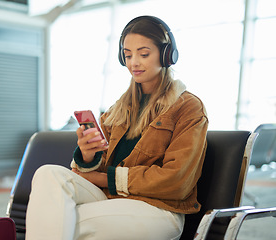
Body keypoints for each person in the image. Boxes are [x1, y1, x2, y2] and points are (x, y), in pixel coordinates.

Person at [26, 15, 208, 240]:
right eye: (128, 54)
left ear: (166, 55)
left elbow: (177, 181)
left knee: (59, 220)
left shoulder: (188, 107)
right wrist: (87, 156)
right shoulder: (118, 109)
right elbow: (93, 169)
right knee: (48, 174)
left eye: (143, 54)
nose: (134, 63)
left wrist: (105, 179)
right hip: (113, 200)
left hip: (159, 209)